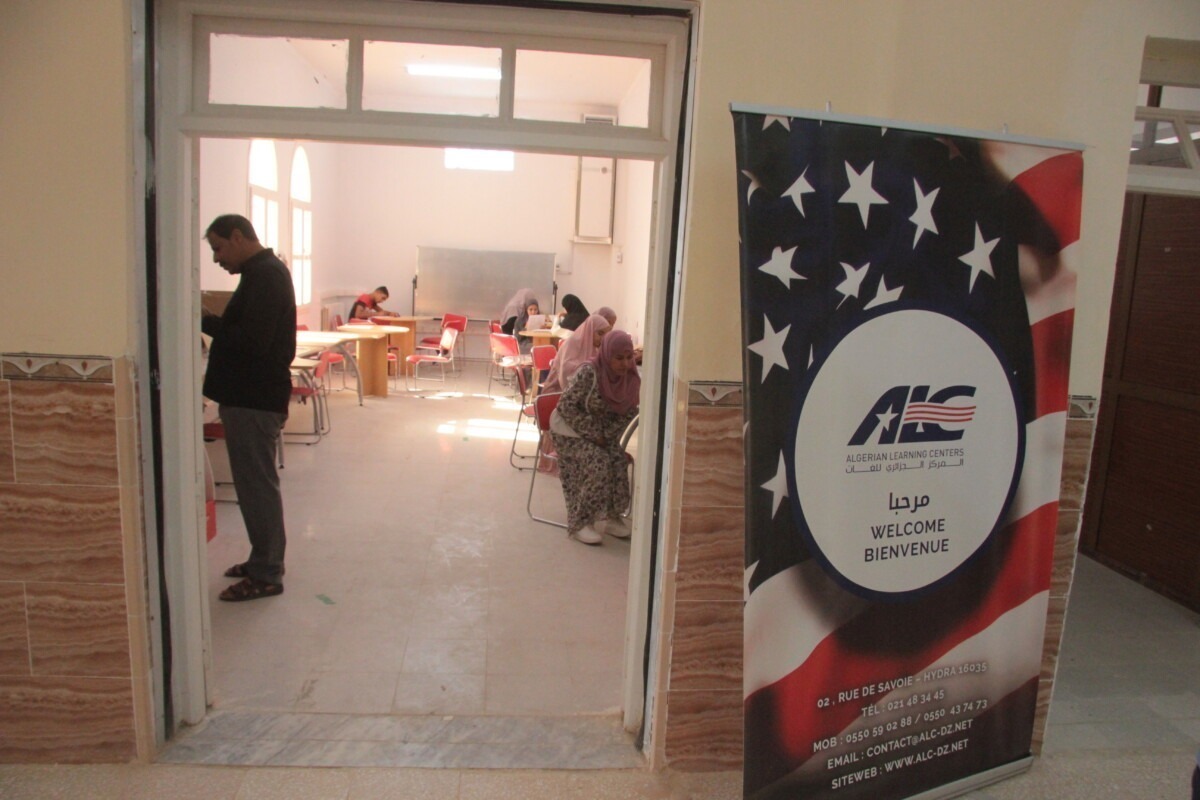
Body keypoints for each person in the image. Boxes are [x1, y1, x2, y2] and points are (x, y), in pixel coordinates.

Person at [201, 214, 296, 602]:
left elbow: (253, 342)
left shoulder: (266, 276)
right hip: (250, 397)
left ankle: (267, 572)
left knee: (256, 488)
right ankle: (264, 559)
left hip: (254, 399)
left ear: (238, 237)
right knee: (254, 486)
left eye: (218, 248)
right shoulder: (260, 273)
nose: (217, 258)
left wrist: (207, 321)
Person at [549, 330, 640, 545]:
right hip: (569, 430)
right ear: (607, 355)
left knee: (617, 460)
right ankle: (581, 522)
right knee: (598, 462)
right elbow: (566, 407)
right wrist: (594, 434)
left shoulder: (631, 378)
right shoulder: (589, 373)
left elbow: (628, 413)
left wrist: (606, 436)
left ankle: (612, 516)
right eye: (619, 358)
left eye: (629, 357)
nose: (625, 364)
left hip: (601, 433)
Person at [541, 312, 610, 394]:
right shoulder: (572, 342)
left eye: (606, 335)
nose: (603, 338)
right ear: (590, 330)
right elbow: (565, 371)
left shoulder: (595, 348)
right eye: (600, 333)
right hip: (558, 392)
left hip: (583, 393)